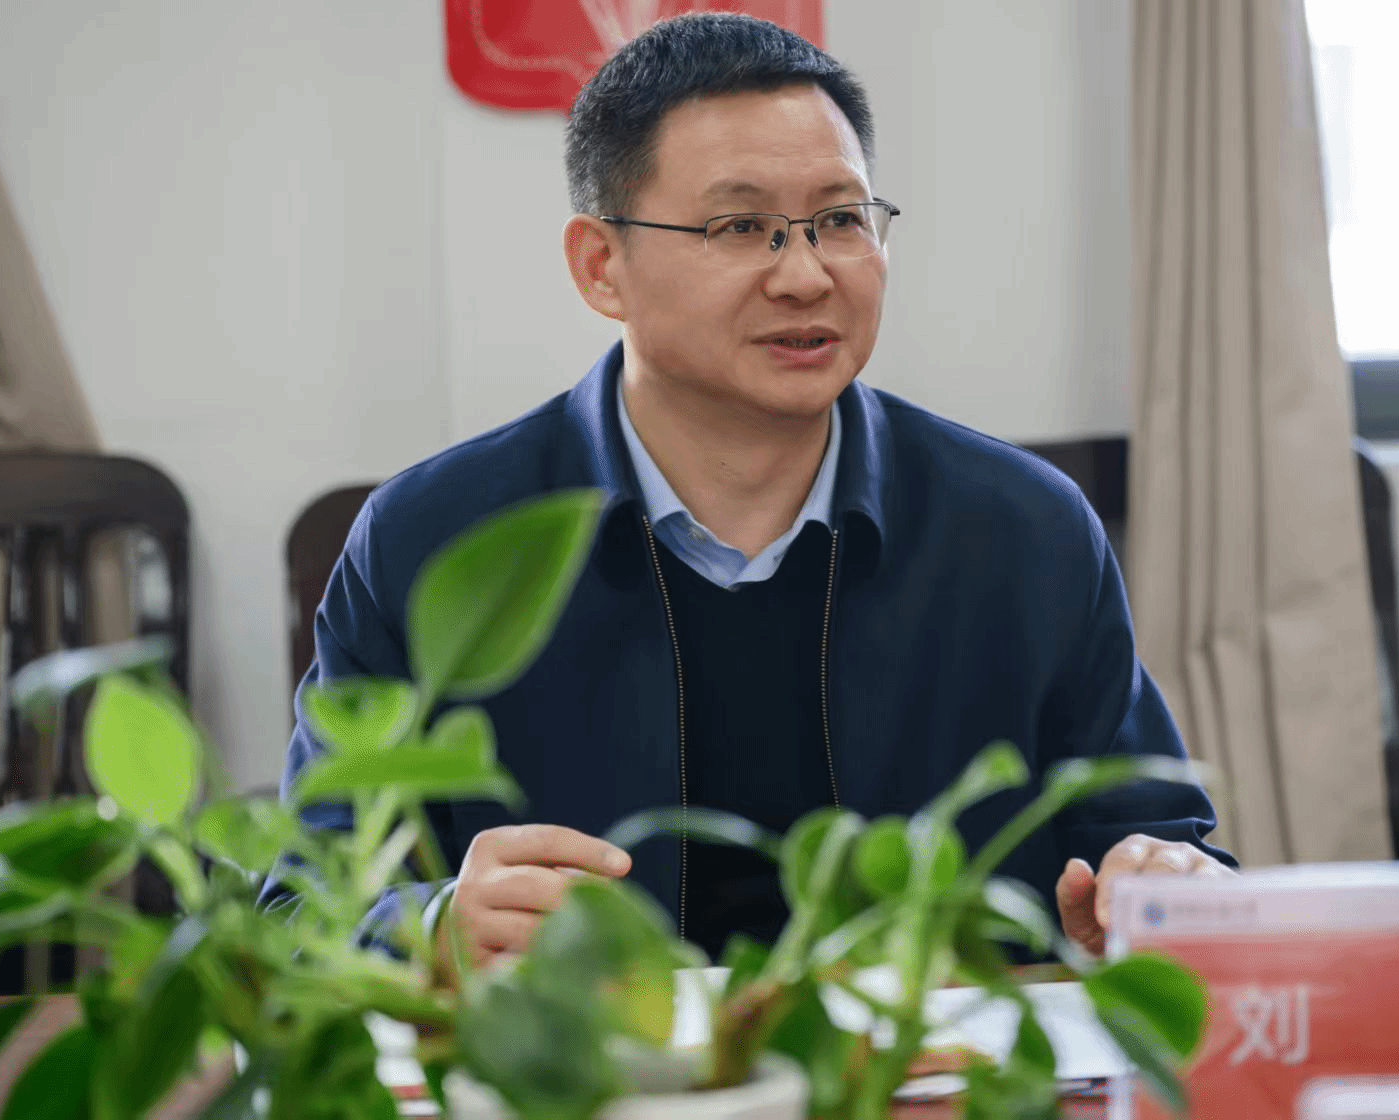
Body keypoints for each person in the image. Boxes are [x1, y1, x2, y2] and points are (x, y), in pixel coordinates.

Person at [280, 12, 1234, 973]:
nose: (806, 275)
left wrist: (1158, 890)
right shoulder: (431, 540)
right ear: (602, 266)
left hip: (931, 1052)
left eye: (841, 220)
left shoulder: (1025, 530)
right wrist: (436, 925)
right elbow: (299, 907)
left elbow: (1157, 847)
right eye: (740, 227)